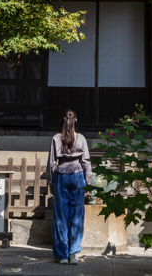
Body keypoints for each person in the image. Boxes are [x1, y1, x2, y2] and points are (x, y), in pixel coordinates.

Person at [47, 109, 91, 265]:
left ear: (62, 121)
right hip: (78, 176)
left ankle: (62, 255)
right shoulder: (81, 138)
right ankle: (73, 253)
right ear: (76, 121)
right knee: (77, 215)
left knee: (60, 216)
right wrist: (88, 182)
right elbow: (86, 162)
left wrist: (51, 183)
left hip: (61, 176)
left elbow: (52, 163)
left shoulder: (55, 139)